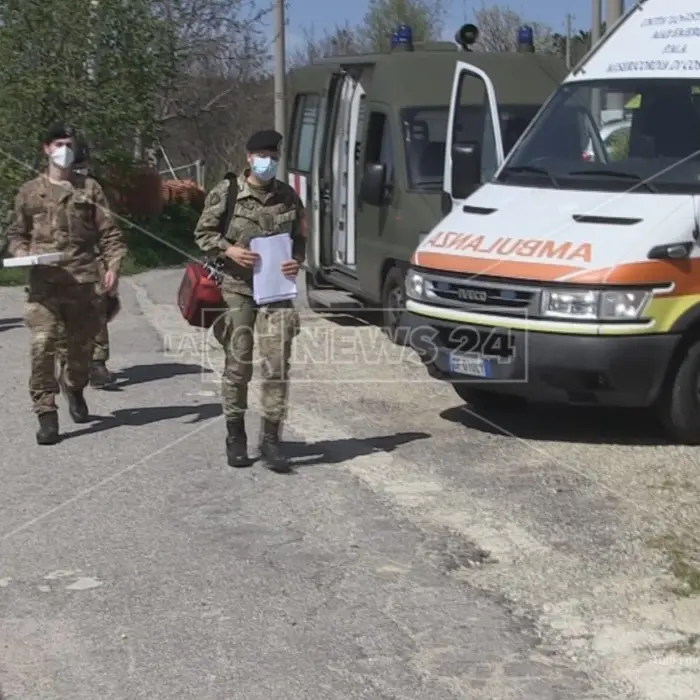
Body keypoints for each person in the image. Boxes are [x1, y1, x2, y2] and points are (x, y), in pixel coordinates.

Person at [5, 123, 126, 444]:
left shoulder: (90, 189)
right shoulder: (30, 192)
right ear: (46, 148)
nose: (64, 150)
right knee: (42, 343)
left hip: (84, 284)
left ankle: (74, 386)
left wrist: (113, 266)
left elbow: (111, 235)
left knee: (79, 353)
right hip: (44, 286)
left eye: (69, 144)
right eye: (58, 144)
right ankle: (46, 410)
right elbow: (16, 234)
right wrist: (21, 251)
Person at [194, 129, 305, 473]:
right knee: (238, 362)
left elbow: (299, 238)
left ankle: (271, 439)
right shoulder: (226, 192)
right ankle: (235, 432)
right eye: (261, 155)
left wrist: (296, 260)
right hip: (237, 288)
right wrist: (229, 249)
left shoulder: (288, 196)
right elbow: (202, 234)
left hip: (275, 292)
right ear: (248, 157)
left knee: (277, 364)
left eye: (273, 155)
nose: (267, 161)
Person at [55, 138, 116, 388]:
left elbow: (107, 226)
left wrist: (110, 260)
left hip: (92, 258)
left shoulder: (93, 188)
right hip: (58, 262)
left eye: (82, 166)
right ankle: (67, 363)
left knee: (97, 310)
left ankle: (98, 362)